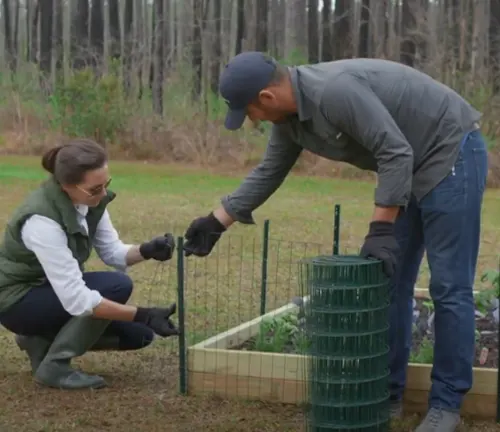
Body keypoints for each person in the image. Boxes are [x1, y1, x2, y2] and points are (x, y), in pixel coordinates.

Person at [182, 52, 489, 431]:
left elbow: (394, 150)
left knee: (448, 286)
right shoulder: (291, 120)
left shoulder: (333, 92)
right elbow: (269, 171)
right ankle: (388, 392)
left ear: (266, 98)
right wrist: (217, 222)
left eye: (249, 112)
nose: (251, 121)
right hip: (406, 168)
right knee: (388, 282)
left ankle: (446, 404)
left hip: (450, 151)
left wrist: (380, 230)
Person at [0, 139, 179, 391]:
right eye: (95, 189)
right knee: (117, 286)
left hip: (50, 293)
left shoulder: (88, 201)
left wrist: (147, 250)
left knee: (138, 335)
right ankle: (55, 367)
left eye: (106, 184)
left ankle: (37, 340)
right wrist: (144, 314)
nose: (103, 194)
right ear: (66, 186)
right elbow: (77, 299)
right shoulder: (41, 221)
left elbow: (114, 253)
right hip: (17, 302)